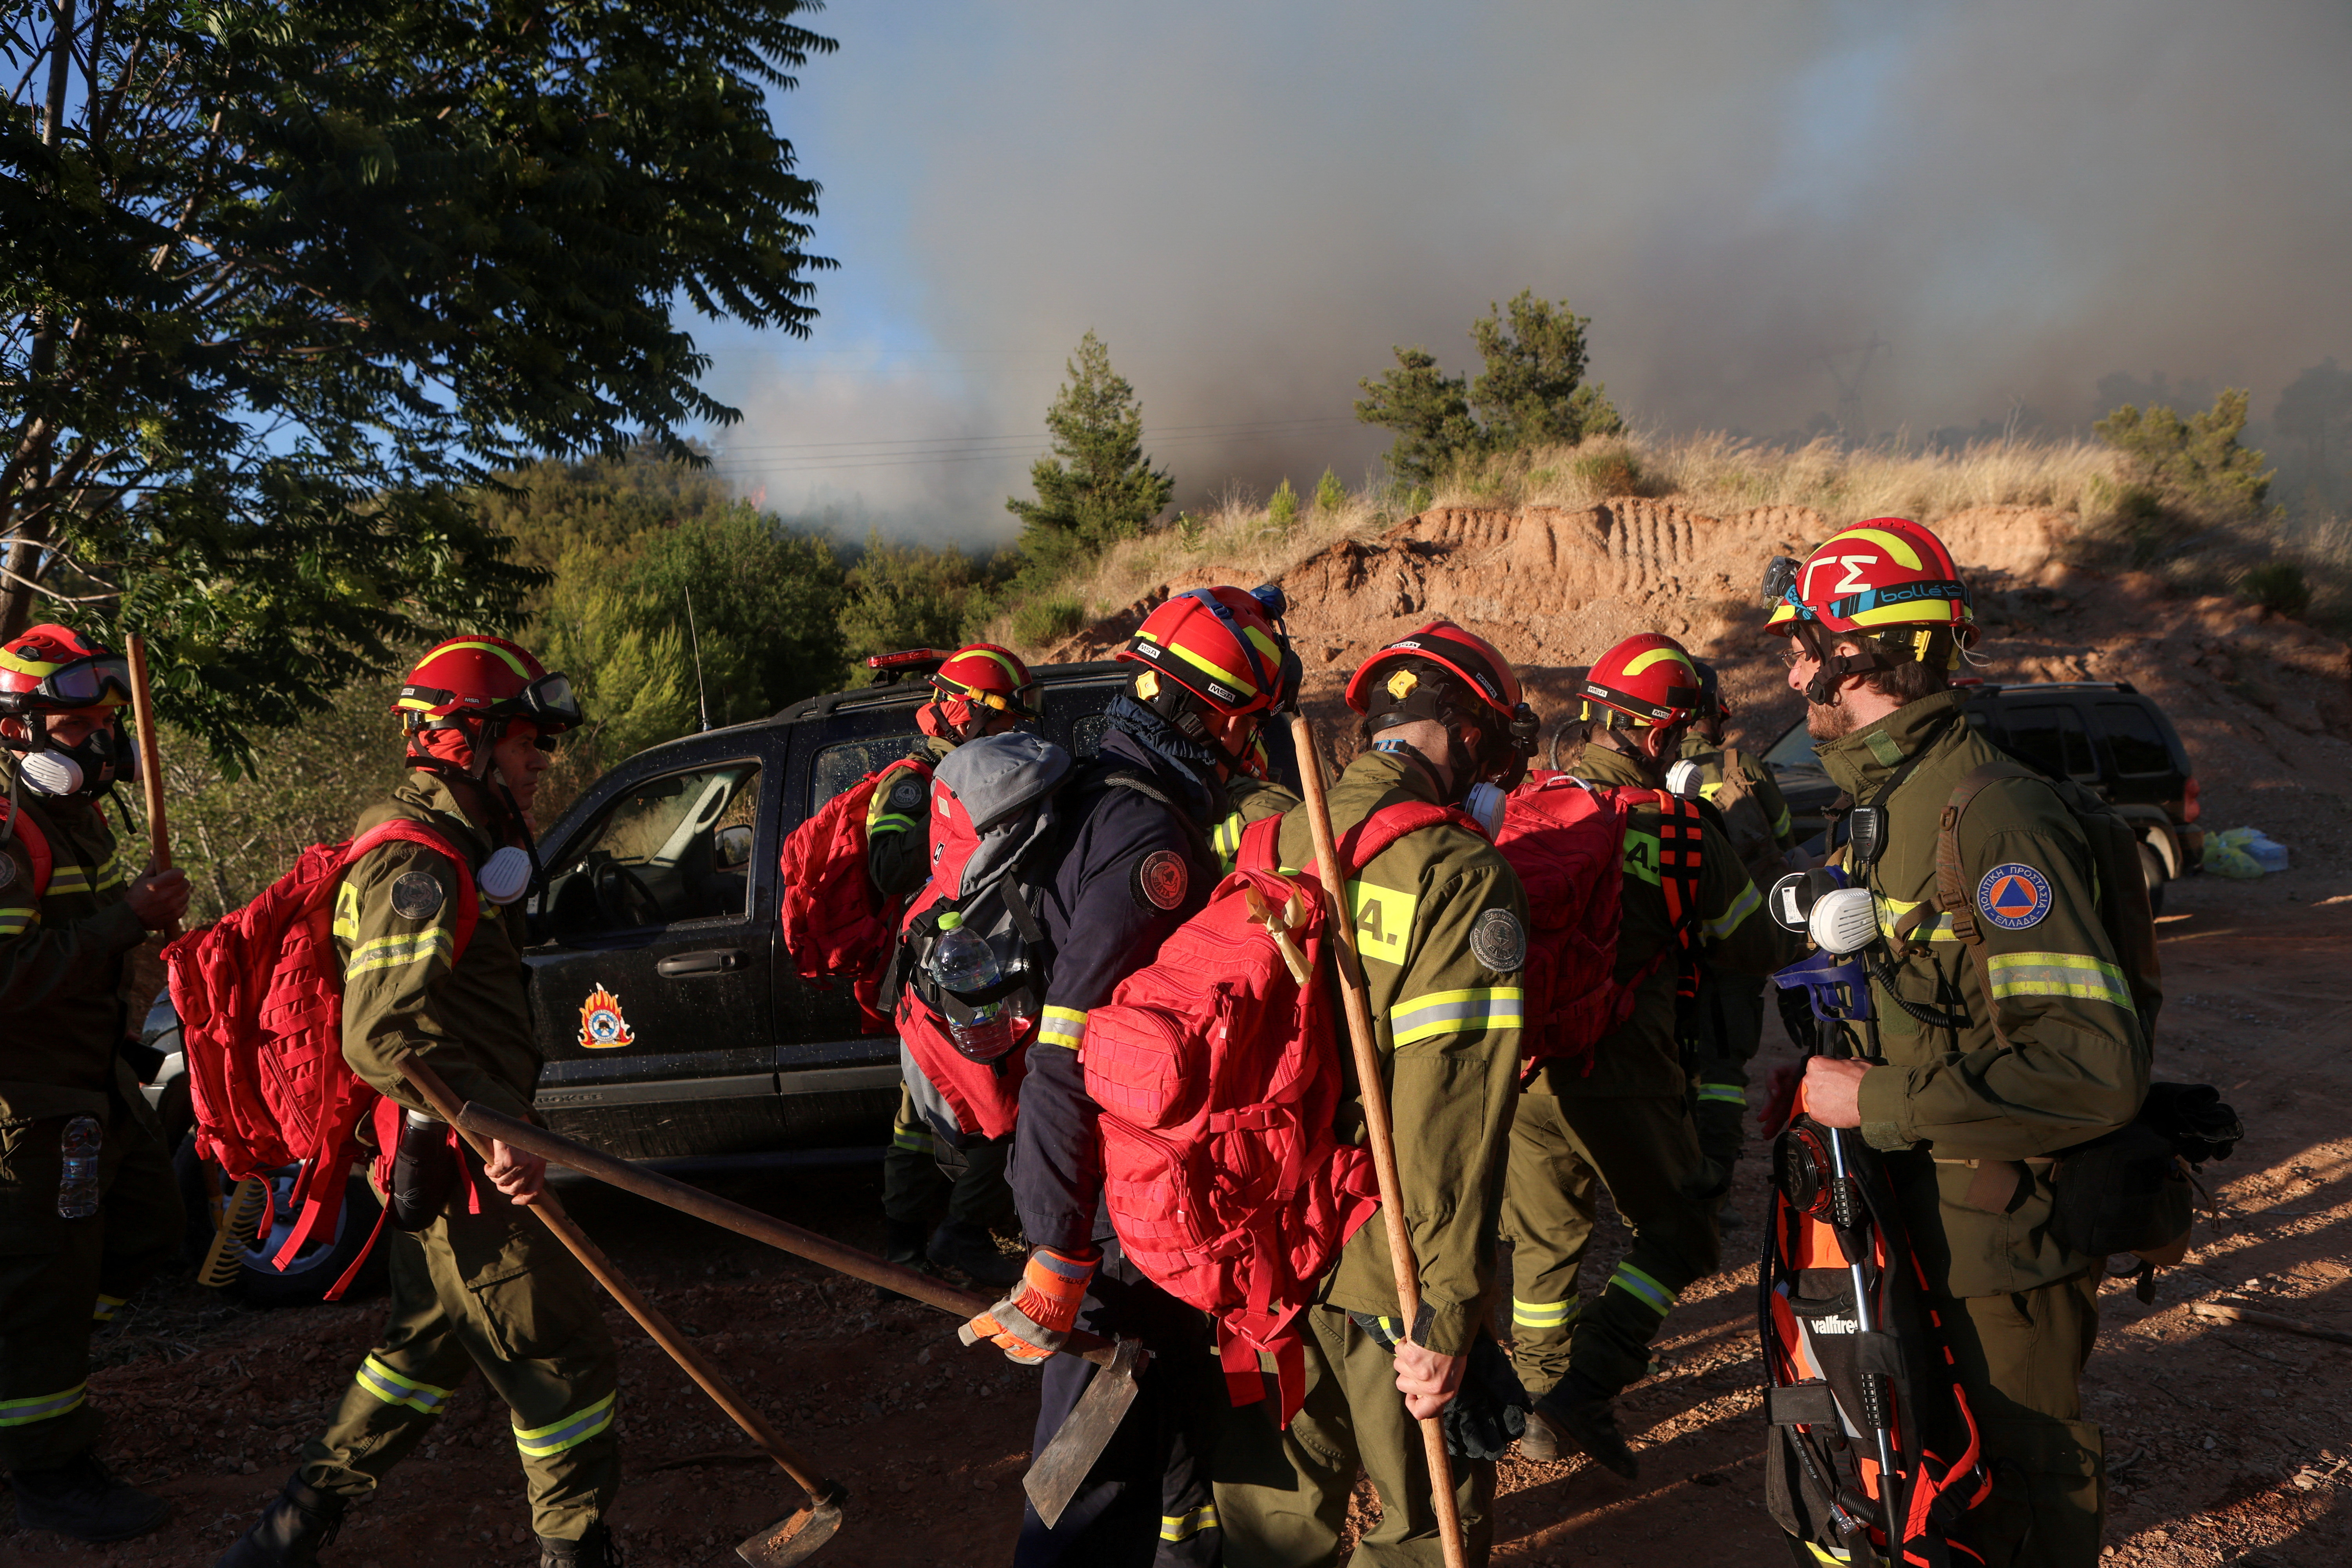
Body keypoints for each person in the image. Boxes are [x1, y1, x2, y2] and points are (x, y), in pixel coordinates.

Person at [1766, 518, 2146, 1568]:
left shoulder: (1994, 819)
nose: (1790, 671)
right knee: (1914, 1491)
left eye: (1801, 643)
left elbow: (2091, 1068)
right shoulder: (1884, 805)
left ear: (1856, 652)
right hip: (1908, 1221)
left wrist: (1874, 1101)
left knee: (2015, 1500)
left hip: (1997, 1247)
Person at [220, 637, 621, 1568]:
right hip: (469, 1162)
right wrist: (493, 1130)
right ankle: (574, 1550)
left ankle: (283, 1537)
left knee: (421, 1352)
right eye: (527, 742)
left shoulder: (456, 848)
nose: (541, 762)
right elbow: (379, 1036)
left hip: (441, 1153)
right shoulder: (420, 864)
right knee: (560, 1360)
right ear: (463, 742)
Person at [960, 586, 1298, 1567]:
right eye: (1246, 725)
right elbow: (1072, 1047)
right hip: (1115, 1217)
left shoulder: (1100, 785)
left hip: (1136, 1202)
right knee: (1086, 1479)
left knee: (1175, 1430)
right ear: (1208, 716)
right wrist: (1059, 1244)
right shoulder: (1149, 840)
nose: (1250, 749)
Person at [1212, 621, 1535, 1568]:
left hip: (1257, 1243)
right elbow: (1447, 1119)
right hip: (1378, 1253)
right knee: (1423, 1527)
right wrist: (1448, 1310)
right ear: (1467, 730)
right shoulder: (1459, 873)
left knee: (1271, 1523)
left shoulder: (1268, 839)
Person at [1505, 632, 1791, 1477]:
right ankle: (1592, 1378)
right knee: (1683, 1230)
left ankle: (1539, 1410)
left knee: (1545, 1247)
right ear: (1661, 735)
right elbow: (1753, 947)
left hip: (1524, 1073)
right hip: (1622, 1072)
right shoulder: (1678, 829)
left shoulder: (1521, 809)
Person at [0, 624, 190, 1543]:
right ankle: (49, 1472)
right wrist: (125, 920)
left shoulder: (83, 817)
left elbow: (104, 946)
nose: (101, 743)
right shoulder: (9, 830)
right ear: (16, 729)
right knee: (46, 1283)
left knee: (150, 1227)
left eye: (107, 723)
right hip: (31, 1102)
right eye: (78, 727)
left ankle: (38, 1375)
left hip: (99, 1081)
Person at [875, 644, 1039, 1290]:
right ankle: (910, 1247)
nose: (1012, 732)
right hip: (931, 973)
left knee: (943, 1110)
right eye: (1003, 718)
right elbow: (888, 868)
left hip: (968, 965)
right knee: (937, 1113)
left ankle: (927, 1241)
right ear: (963, 712)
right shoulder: (914, 782)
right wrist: (955, 818)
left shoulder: (984, 770)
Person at [1667, 657, 1800, 1221]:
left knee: (1675, 1064)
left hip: (1673, 942)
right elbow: (1784, 839)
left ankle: (1669, 1186)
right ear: (1714, 715)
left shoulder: (1651, 767)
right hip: (1737, 937)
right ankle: (1712, 1193)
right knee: (1723, 1071)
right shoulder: (1740, 766)